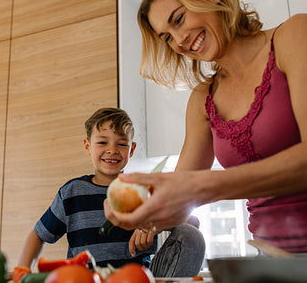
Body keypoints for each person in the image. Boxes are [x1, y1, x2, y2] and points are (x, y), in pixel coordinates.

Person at [104, 0, 307, 253]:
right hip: (274, 259)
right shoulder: (202, 100)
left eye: (179, 19)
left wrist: (200, 187)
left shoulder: (297, 35)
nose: (180, 40)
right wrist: (140, 206)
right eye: (167, 37)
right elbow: (180, 191)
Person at [14, 107, 205, 279]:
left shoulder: (145, 189)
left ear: (132, 150)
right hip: (87, 280)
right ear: (88, 146)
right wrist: (22, 271)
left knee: (191, 234)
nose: (112, 150)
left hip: (139, 279)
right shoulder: (71, 192)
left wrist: (153, 225)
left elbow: (192, 224)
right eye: (103, 142)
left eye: (122, 144)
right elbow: (39, 235)